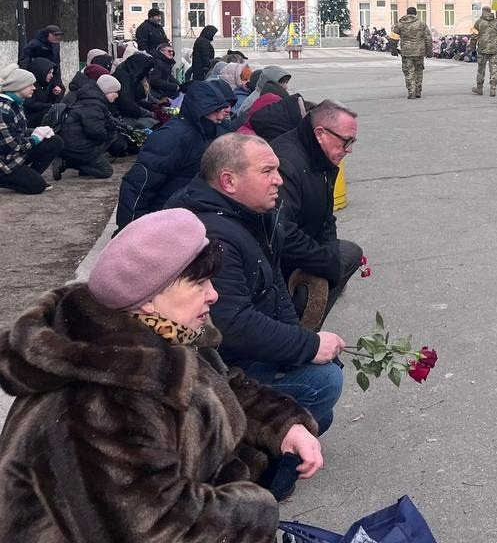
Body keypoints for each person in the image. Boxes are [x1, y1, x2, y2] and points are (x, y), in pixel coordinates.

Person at [0, 207, 324, 537]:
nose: (214, 294)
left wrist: (282, 425)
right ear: (149, 299)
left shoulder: (159, 336)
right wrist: (255, 511)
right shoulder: (101, 401)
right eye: (199, 283)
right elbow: (152, 528)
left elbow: (216, 386)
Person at [169, 135, 344, 497]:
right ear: (229, 181)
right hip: (218, 366)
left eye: (278, 169)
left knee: (320, 388)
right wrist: (307, 345)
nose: (279, 179)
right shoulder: (214, 233)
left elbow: (271, 284)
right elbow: (232, 325)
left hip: (228, 358)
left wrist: (298, 341)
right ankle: (262, 485)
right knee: (323, 383)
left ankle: (276, 447)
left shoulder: (248, 215)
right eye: (267, 171)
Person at [271, 100, 364, 327]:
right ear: (320, 133)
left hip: (304, 241)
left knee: (347, 255)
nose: (349, 149)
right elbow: (281, 232)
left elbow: (326, 218)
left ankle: (310, 328)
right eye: (346, 141)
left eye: (353, 142)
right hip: (275, 259)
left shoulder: (322, 156)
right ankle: (299, 335)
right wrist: (326, 262)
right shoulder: (286, 163)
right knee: (323, 276)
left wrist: (330, 254)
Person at [115, 80, 235, 231]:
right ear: (201, 109)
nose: (223, 114)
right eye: (217, 109)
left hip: (194, 215)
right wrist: (129, 229)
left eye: (226, 107)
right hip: (165, 218)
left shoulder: (215, 131)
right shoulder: (172, 136)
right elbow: (138, 185)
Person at [0, 64, 63, 194]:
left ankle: (28, 177)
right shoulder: (3, 109)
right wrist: (35, 138)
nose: (34, 88)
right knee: (37, 187)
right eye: (30, 85)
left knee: (55, 141)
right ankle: (17, 178)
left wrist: (39, 132)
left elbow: (18, 131)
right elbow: (13, 145)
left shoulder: (16, 103)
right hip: (4, 162)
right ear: (19, 86)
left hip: (13, 155)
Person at [54, 74, 122, 180]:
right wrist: (108, 133)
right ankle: (67, 163)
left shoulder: (92, 99)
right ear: (106, 91)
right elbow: (95, 130)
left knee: (111, 134)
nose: (117, 95)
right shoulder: (94, 104)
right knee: (106, 171)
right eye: (114, 92)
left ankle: (71, 161)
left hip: (71, 141)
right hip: (77, 145)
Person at [395, 6, 431, 99]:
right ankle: (418, 91)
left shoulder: (400, 24)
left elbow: (394, 37)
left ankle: (411, 91)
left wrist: (393, 49)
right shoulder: (422, 24)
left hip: (406, 52)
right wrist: (429, 51)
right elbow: (428, 38)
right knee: (419, 71)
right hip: (419, 51)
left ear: (407, 13)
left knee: (408, 72)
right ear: (416, 13)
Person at [470, 5, 497, 97]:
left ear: (483, 11)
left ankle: (479, 88)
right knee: (494, 69)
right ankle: (493, 89)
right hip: (495, 50)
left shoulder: (478, 22)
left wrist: (472, 48)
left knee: (481, 69)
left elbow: (473, 36)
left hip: (482, 49)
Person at [21, 58, 64, 128]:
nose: (51, 76)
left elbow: (48, 101)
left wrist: (54, 94)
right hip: (30, 121)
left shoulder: (46, 84)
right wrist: (50, 106)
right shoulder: (30, 85)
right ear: (41, 71)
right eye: (49, 73)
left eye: (52, 73)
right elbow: (29, 104)